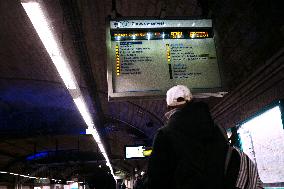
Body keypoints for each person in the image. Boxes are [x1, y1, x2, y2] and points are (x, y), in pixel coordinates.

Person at [147, 85, 227, 189]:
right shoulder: (215, 129)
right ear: (191, 101)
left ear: (168, 107)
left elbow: (156, 179)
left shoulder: (165, 134)